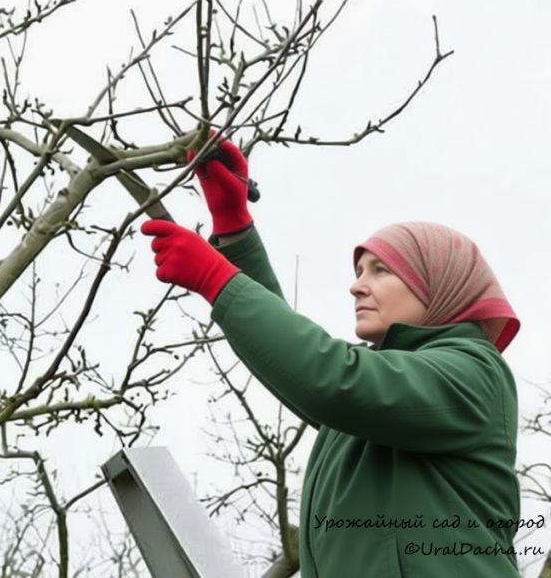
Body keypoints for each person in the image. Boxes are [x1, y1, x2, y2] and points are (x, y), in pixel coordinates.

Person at [140, 134, 521, 577]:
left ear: (438, 283)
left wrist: (215, 276)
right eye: (358, 272)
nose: (356, 286)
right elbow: (299, 359)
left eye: (381, 271)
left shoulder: (474, 373)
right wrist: (233, 226)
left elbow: (329, 377)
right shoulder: (375, 407)